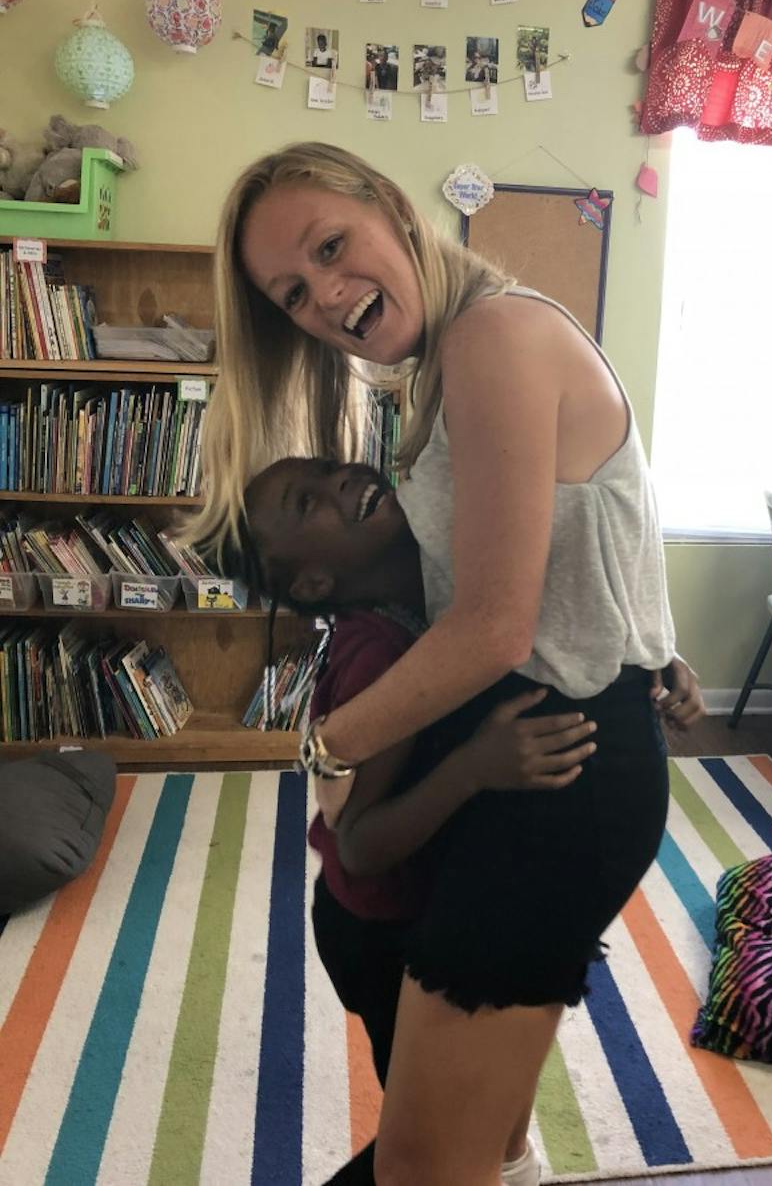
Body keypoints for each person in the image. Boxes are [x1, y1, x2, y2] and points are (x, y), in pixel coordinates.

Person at [187, 142, 705, 1186]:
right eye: (294, 293)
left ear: (388, 201)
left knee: (426, 1162)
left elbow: (494, 627)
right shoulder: (449, 358)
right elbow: (581, 536)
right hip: (537, 759)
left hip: (559, 776)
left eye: (333, 247)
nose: (328, 296)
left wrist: (318, 744)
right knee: (478, 1136)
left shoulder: (495, 335)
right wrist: (655, 639)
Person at [242, 456, 596, 1186]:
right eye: (309, 499)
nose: (341, 479)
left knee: (478, 1105)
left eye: (328, 466)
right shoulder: (378, 652)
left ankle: (511, 1164)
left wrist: (658, 661)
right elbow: (362, 842)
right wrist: (476, 766)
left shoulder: (442, 591)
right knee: (426, 1139)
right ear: (312, 583)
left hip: (411, 911)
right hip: (378, 928)